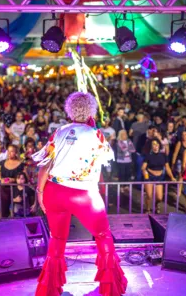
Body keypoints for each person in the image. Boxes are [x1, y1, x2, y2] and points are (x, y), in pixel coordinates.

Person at [32, 92, 127, 296]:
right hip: (84, 194)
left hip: (54, 191)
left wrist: (40, 191)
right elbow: (101, 164)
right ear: (91, 109)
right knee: (103, 236)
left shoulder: (59, 132)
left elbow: (44, 165)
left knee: (57, 239)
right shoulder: (96, 134)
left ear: (69, 109)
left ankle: (49, 290)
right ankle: (111, 288)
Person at [142, 138, 175, 214]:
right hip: (150, 176)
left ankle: (157, 205)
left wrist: (172, 177)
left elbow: (167, 167)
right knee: (149, 195)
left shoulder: (163, 155)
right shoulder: (148, 155)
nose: (155, 146)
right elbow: (143, 167)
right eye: (153, 144)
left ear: (159, 146)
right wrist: (144, 172)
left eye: (157, 144)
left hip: (159, 177)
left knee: (159, 197)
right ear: (151, 146)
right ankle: (147, 209)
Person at [0, 145, 25, 217]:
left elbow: (25, 177)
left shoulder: (21, 164)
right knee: (4, 210)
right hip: (4, 189)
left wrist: (14, 179)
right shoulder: (2, 162)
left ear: (16, 152)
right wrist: (1, 179)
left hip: (16, 189)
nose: (9, 153)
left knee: (16, 210)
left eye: (12, 151)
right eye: (8, 151)